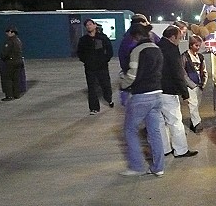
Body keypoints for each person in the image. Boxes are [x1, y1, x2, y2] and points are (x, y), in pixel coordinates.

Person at [118, 23, 165, 176]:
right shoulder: (157, 49)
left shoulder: (137, 50)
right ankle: (158, 168)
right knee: (155, 132)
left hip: (142, 95)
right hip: (157, 93)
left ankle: (137, 166)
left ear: (135, 36)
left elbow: (132, 75)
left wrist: (123, 84)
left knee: (130, 130)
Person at [158, 25, 197, 158]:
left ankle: (164, 149)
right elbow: (177, 72)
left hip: (156, 90)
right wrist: (184, 93)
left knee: (160, 122)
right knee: (175, 121)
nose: (180, 41)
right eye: (179, 38)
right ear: (173, 37)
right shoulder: (171, 49)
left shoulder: (157, 46)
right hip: (168, 90)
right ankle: (180, 150)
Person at [76, 19, 114, 114]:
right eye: (87, 25)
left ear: (95, 25)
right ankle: (94, 108)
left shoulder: (102, 38)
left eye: (90, 24)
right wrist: (86, 61)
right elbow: (80, 52)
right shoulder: (83, 40)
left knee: (105, 85)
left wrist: (105, 59)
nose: (88, 26)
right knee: (92, 88)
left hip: (102, 67)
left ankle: (108, 99)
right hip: (90, 68)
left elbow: (109, 50)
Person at [182, 35, 207, 133]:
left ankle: (194, 122)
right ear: (191, 45)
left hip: (199, 84)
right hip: (190, 85)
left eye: (199, 45)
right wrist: (190, 84)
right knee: (193, 104)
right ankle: (197, 124)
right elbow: (183, 72)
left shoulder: (200, 56)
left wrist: (203, 83)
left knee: (196, 105)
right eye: (196, 45)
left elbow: (204, 70)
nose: (198, 47)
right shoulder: (184, 57)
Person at [0, 25, 24, 101]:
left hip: (10, 62)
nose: (6, 33)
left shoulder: (9, 41)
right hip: (19, 61)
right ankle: (16, 94)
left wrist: (2, 58)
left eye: (8, 32)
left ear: (12, 32)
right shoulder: (18, 41)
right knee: (16, 78)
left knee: (8, 79)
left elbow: (5, 53)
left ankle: (9, 96)